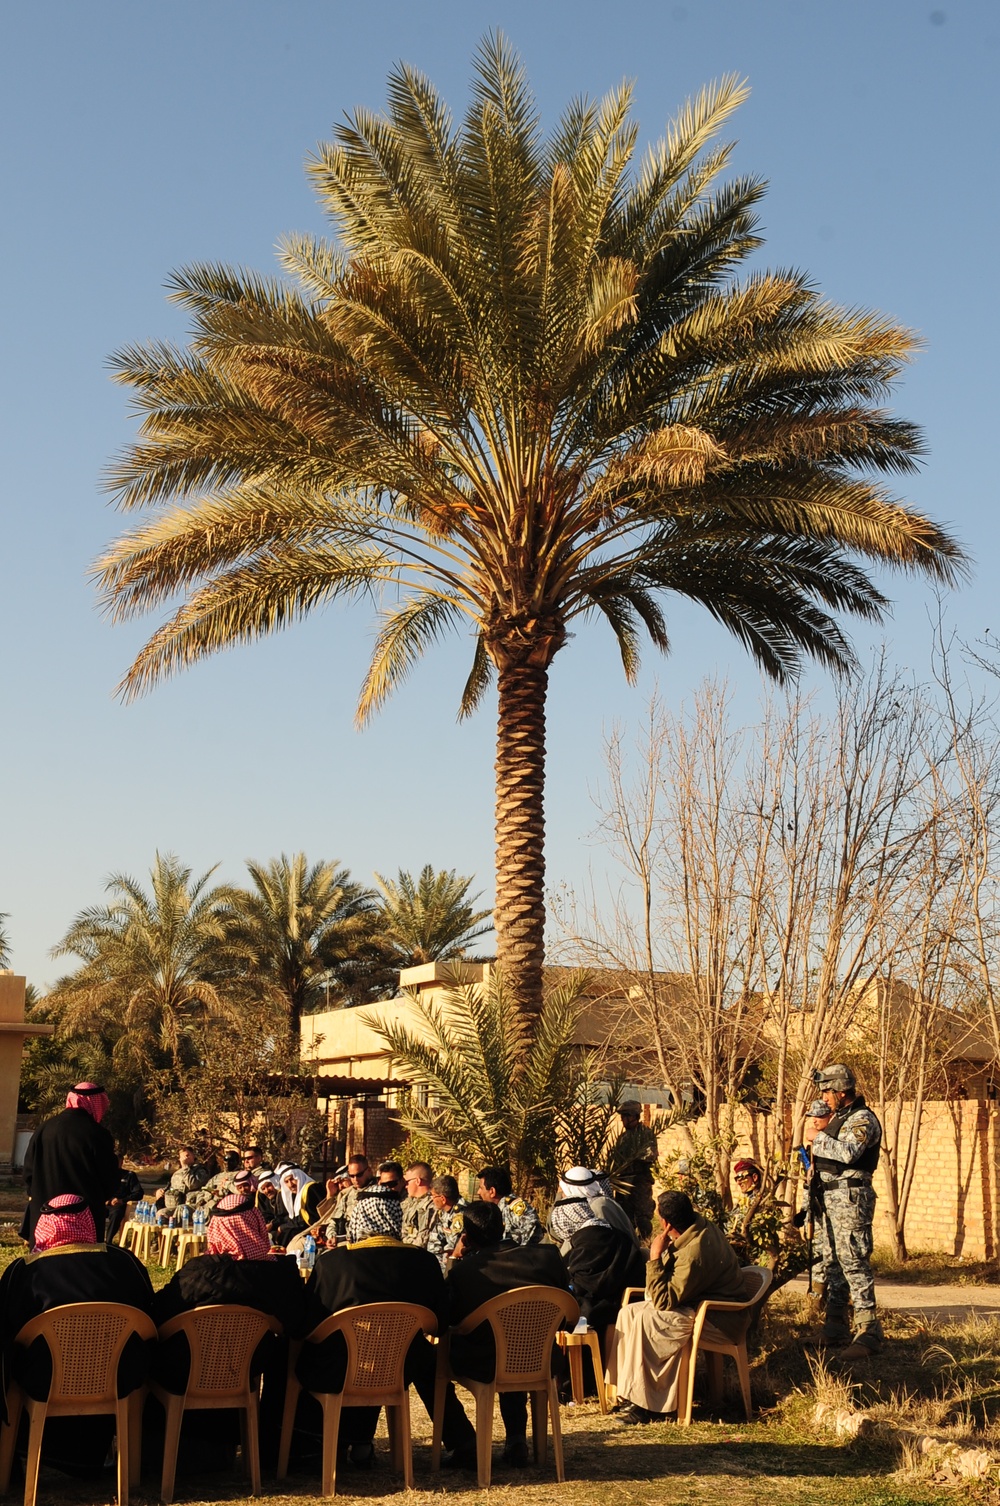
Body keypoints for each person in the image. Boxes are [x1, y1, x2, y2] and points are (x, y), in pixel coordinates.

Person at [296, 1187, 477, 1470]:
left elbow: (309, 1324)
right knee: (423, 1355)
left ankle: (320, 1445)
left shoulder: (333, 1263)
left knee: (313, 1352)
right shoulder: (423, 1262)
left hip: (340, 1367)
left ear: (358, 1218)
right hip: (402, 1364)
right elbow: (441, 1323)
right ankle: (463, 1441)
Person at [0, 1193, 155, 1475]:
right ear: (89, 1222)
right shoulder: (125, 1263)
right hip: (119, 1376)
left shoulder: (23, 1272)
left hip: (42, 1380)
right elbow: (151, 1319)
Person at [446, 1200, 570, 1468]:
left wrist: (455, 1260)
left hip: (485, 1363)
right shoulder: (548, 1257)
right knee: (513, 1341)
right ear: (503, 1227)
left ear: (465, 1237)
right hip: (541, 1357)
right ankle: (516, 1440)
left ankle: (464, 1441)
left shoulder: (466, 1272)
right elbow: (568, 1315)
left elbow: (449, 1318)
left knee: (439, 1359)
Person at [609, 1189, 746, 1424]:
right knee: (629, 1312)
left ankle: (648, 1405)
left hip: (719, 1318)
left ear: (665, 1222)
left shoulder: (694, 1253)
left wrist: (654, 1258)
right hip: (700, 1305)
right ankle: (627, 1391)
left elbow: (663, 1301)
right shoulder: (697, 1226)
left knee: (649, 1319)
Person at [803, 1063, 883, 1357]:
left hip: (851, 1200)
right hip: (829, 1200)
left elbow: (849, 1153)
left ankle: (869, 1332)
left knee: (854, 1261)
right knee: (832, 1262)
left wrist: (817, 1138)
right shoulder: (838, 1118)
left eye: (827, 1091)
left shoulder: (862, 1119)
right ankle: (835, 1326)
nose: (824, 1097)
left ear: (842, 1090)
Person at [19, 1082, 120, 1244]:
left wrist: (39, 1194)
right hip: (84, 1218)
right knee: (81, 1264)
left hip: (44, 1215)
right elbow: (109, 1179)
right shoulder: (97, 1134)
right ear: (96, 1103)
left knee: (43, 1262)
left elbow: (29, 1174)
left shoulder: (44, 1129)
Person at [548, 1189, 645, 1356]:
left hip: (601, 1309)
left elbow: (584, 1284)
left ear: (567, 1220)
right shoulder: (610, 1233)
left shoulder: (588, 1240)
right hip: (622, 1304)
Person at [549, 1166, 640, 1252]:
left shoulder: (597, 1206)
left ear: (572, 1191)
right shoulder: (599, 1203)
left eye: (564, 1192)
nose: (562, 1195)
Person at [614, 1102, 656, 1240]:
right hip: (623, 1183)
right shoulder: (624, 1137)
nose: (622, 1119)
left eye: (625, 1116)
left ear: (633, 1116)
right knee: (624, 1218)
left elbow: (650, 1155)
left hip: (639, 1182)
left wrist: (634, 1158)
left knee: (643, 1218)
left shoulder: (645, 1134)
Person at [476, 1167, 542, 1246]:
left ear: (492, 1191)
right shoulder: (493, 1210)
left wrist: (505, 1245)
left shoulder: (513, 1208)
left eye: (481, 1188)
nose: (478, 1192)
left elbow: (534, 1229)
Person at [323, 1155, 375, 1243]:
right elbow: (333, 1222)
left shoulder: (379, 1191)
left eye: (359, 1175)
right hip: (346, 1242)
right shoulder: (347, 1195)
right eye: (352, 1176)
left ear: (369, 1171)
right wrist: (332, 1236)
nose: (355, 1179)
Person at [270, 1165, 323, 1248]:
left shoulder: (311, 1188)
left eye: (292, 1179)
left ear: (299, 1176)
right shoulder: (295, 1194)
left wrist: (282, 1227)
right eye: (286, 1182)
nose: (290, 1184)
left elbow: (303, 1221)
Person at [153, 1146, 209, 1222]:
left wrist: (185, 1167)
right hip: (176, 1206)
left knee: (181, 1210)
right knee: (161, 1213)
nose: (186, 1157)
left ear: (193, 1156)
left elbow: (191, 1183)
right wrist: (161, 1193)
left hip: (193, 1206)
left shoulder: (201, 1171)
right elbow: (172, 1190)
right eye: (183, 1156)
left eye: (188, 1155)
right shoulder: (177, 1174)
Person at [426, 1175, 466, 1270]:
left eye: (433, 1196)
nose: (432, 1199)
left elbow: (453, 1248)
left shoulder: (460, 1215)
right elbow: (435, 1240)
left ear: (443, 1199)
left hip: (456, 1265)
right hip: (442, 1263)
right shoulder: (442, 1212)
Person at [106, 1154, 146, 1243]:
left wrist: (122, 1200)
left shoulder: (129, 1175)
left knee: (116, 1214)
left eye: (118, 1161)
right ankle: (94, 1241)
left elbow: (139, 1193)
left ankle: (108, 1242)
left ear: (122, 1162)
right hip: (104, 1204)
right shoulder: (104, 1175)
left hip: (118, 1205)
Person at [401, 1162, 435, 1247]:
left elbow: (424, 1239)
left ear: (418, 1181)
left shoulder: (431, 1205)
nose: (406, 1186)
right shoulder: (410, 1203)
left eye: (407, 1182)